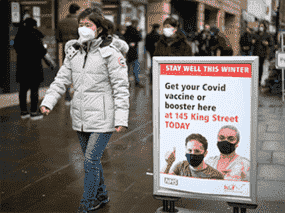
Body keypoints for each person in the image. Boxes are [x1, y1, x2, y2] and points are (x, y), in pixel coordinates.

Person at [39, 8, 129, 212]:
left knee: (90, 161)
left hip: (104, 117)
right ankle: (102, 195)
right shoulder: (74, 51)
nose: (83, 28)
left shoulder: (111, 53)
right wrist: (49, 101)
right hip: (80, 116)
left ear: (99, 28)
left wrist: (121, 118)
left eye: (88, 25)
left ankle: (86, 204)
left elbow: (121, 88)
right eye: (81, 24)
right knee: (93, 161)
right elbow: (61, 79)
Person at [14, 18, 47, 120]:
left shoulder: (19, 35)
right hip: (34, 66)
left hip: (22, 66)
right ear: (34, 25)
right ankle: (33, 112)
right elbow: (42, 51)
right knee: (34, 90)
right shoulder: (35, 35)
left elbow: (16, 48)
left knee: (23, 90)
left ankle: (24, 112)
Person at [57, 3, 80, 106]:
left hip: (66, 48)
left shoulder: (61, 22)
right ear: (76, 11)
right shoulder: (78, 23)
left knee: (67, 71)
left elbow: (58, 38)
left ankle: (67, 97)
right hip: (77, 48)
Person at [124, 19, 144, 88]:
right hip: (134, 52)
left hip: (127, 51)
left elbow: (125, 39)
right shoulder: (135, 30)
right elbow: (140, 38)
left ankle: (126, 82)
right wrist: (139, 31)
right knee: (135, 68)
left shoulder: (127, 30)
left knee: (127, 68)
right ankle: (137, 82)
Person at [252, 21, 272, 87]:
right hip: (255, 53)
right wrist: (253, 42)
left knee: (260, 68)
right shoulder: (256, 34)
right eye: (260, 26)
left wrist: (267, 43)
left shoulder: (267, 35)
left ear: (264, 27)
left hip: (262, 54)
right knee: (254, 67)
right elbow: (252, 41)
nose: (261, 28)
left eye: (262, 26)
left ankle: (259, 81)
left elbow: (271, 43)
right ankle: (254, 81)